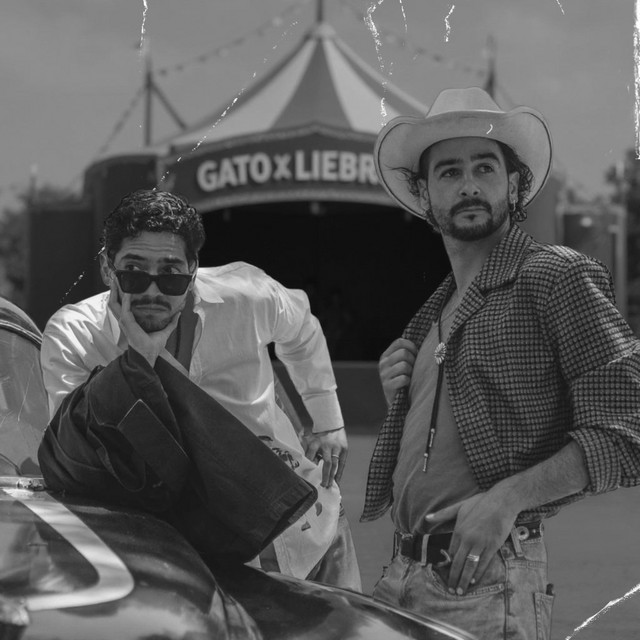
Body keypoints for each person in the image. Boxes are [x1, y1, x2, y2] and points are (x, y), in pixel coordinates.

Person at [361, 87, 640, 639]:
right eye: (449, 172)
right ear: (424, 193)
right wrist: (406, 397)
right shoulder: (432, 314)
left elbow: (629, 427)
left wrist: (508, 500)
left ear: (512, 185)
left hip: (486, 576)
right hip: (402, 572)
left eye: (484, 167)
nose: (468, 184)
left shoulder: (553, 275)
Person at [39, 188, 361, 589]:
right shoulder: (73, 335)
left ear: (193, 270)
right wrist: (140, 359)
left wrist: (328, 421)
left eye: (171, 275)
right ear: (107, 268)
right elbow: (75, 454)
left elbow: (303, 330)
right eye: (134, 272)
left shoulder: (248, 293)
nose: (152, 291)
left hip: (311, 525)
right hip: (199, 557)